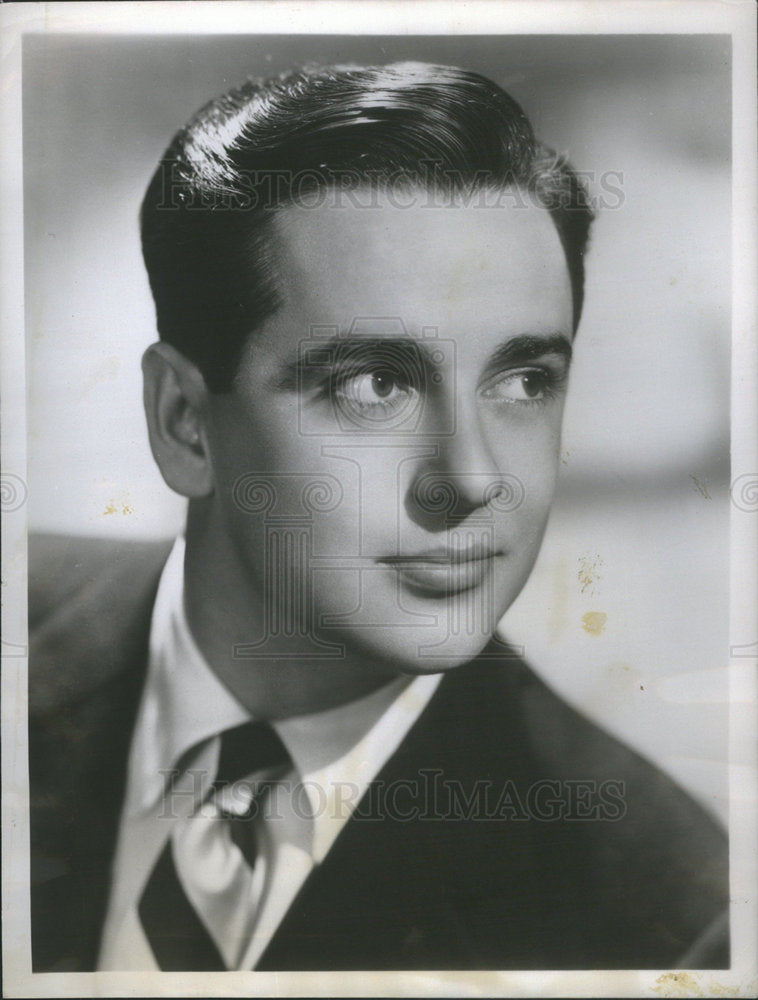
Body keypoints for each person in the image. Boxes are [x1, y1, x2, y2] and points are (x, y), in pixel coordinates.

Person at [29, 61, 728, 973]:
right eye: (376, 385)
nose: (473, 479)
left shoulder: (658, 917)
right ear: (185, 423)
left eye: (524, 382)